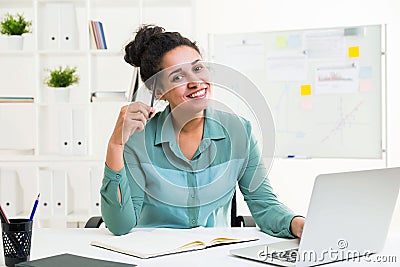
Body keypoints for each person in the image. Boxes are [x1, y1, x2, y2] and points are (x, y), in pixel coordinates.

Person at [100, 24, 305, 237]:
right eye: (178, 77)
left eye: (198, 69)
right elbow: (120, 225)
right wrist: (115, 145)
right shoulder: (139, 138)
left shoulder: (238, 131)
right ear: (158, 91)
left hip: (215, 254)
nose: (195, 82)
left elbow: (264, 205)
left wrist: (298, 224)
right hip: (155, 256)